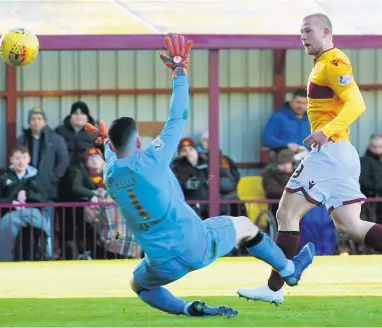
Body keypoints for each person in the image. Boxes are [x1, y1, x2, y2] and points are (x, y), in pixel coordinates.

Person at [85, 34, 315, 317]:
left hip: (160, 263)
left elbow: (113, 155)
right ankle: (289, 271)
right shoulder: (152, 158)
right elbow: (178, 115)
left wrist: (103, 143)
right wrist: (179, 70)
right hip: (196, 245)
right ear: (137, 143)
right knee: (244, 225)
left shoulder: (110, 174)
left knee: (139, 285)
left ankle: (188, 309)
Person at [238, 13, 382, 305]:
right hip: (340, 154)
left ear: (326, 31)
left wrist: (326, 132)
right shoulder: (322, 64)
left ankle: (274, 287)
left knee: (286, 214)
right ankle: (276, 286)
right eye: (300, 32)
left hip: (330, 154)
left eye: (307, 31)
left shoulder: (334, 62)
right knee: (351, 227)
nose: (302, 36)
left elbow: (357, 103)